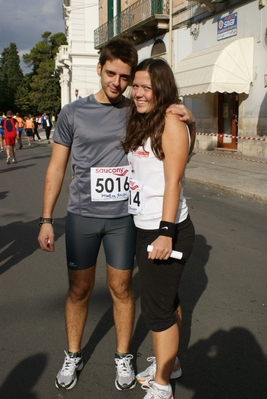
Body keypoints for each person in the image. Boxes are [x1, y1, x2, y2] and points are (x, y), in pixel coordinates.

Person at [37, 38, 195, 392]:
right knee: (79, 290)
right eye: (112, 73)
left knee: (122, 288)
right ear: (99, 68)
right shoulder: (72, 113)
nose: (118, 83)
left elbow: (169, 123)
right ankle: (73, 353)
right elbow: (56, 168)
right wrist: (46, 218)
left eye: (126, 77)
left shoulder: (138, 108)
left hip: (126, 217)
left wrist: (189, 114)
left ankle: (124, 356)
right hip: (82, 215)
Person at [121, 58, 195, 399]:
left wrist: (165, 231)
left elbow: (173, 180)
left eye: (145, 87)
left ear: (161, 88)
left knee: (157, 311)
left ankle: (162, 385)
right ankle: (170, 364)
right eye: (135, 85)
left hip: (164, 229)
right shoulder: (144, 120)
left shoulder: (169, 121)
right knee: (166, 300)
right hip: (145, 224)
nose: (137, 92)